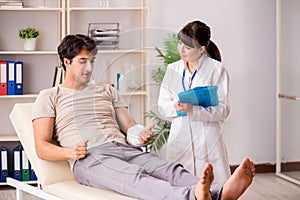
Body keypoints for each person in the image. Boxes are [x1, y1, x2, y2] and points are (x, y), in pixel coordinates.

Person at [32, 34, 255, 200]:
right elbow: (41, 146)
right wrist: (70, 152)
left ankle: (221, 191)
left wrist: (140, 134)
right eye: (83, 61)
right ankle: (195, 197)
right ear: (66, 61)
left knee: (169, 169)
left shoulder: (106, 90)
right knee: (135, 178)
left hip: (124, 148)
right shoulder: (50, 96)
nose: (90, 67)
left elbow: (129, 125)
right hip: (90, 157)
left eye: (92, 60)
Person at [157, 20, 231, 185]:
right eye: (180, 44)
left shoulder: (216, 70)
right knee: (181, 187)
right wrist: (175, 108)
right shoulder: (173, 69)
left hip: (207, 140)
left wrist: (194, 110)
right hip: (180, 139)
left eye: (188, 47)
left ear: (201, 49)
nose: (181, 50)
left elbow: (223, 109)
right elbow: (162, 106)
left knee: (213, 188)